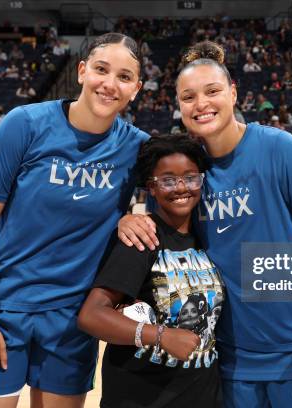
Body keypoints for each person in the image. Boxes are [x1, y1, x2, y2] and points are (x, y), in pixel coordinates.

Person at [118, 41, 292, 408]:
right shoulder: (191, 175)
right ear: (178, 105)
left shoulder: (281, 149)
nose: (201, 104)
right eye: (188, 96)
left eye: (212, 91)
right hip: (230, 361)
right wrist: (128, 217)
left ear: (233, 92)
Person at [0, 32, 148, 406]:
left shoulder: (137, 147)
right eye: (101, 70)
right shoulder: (24, 125)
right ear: (81, 71)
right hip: (4, 309)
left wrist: (127, 217)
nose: (110, 84)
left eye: (124, 77)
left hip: (72, 321)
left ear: (136, 89)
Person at [78, 134, 223, 407]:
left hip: (204, 396)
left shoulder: (210, 239)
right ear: (152, 188)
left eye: (191, 177)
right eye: (168, 180)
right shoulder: (142, 239)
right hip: (140, 397)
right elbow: (91, 315)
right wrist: (160, 335)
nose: (181, 187)